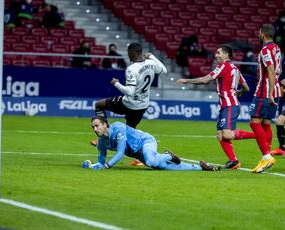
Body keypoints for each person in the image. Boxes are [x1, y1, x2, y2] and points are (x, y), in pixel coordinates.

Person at [177, 44, 254, 169]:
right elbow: (247, 88)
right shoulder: (235, 68)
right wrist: (238, 92)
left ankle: (258, 135)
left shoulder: (223, 66)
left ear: (226, 54)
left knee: (227, 134)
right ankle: (233, 161)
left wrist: (187, 80)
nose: (216, 55)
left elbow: (205, 80)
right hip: (228, 105)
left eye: (218, 53)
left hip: (230, 105)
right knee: (220, 134)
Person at [92, 42, 167, 165]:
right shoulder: (150, 63)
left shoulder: (132, 69)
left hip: (128, 103)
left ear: (133, 52)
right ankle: (139, 159)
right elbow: (164, 70)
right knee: (130, 133)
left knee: (99, 105)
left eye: (128, 53)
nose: (128, 55)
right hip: (142, 105)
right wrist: (152, 56)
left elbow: (130, 92)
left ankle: (104, 134)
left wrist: (116, 83)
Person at [85, 117, 220, 171]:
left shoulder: (118, 127)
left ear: (105, 124)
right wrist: (93, 165)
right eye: (93, 127)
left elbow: (120, 153)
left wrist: (107, 166)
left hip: (145, 142)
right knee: (163, 168)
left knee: (150, 161)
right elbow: (101, 159)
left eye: (97, 126)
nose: (95, 129)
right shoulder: (101, 141)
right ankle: (202, 168)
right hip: (137, 153)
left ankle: (168, 156)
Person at [249, 24, 282, 173]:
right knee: (266, 122)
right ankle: (265, 158)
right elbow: (277, 70)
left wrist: (268, 93)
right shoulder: (276, 48)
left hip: (265, 90)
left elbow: (269, 69)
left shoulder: (266, 49)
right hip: (275, 89)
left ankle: (266, 156)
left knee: (255, 122)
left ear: (262, 34)